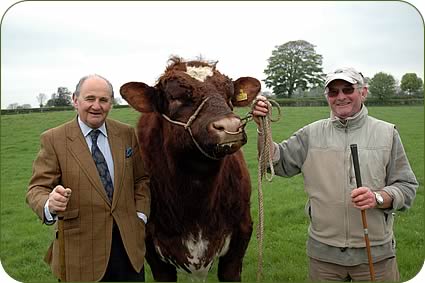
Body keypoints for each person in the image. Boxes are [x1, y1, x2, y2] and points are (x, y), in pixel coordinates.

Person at [252, 67, 418, 281]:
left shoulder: (387, 133)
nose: (340, 97)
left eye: (347, 89)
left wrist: (378, 198)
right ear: (327, 97)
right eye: (333, 92)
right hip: (323, 258)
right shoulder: (310, 134)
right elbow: (275, 162)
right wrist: (262, 128)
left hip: (375, 256)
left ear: (363, 92)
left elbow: (406, 185)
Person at [26, 74, 151, 282]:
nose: (97, 106)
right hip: (81, 253)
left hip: (129, 249)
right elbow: (36, 188)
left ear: (111, 103)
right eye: (90, 98)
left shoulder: (127, 133)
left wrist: (140, 216)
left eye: (103, 100)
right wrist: (49, 203)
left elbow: (141, 179)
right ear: (75, 100)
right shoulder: (54, 139)